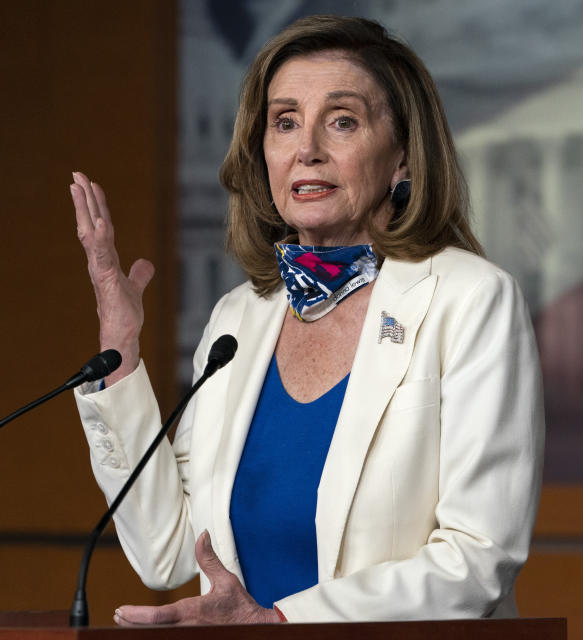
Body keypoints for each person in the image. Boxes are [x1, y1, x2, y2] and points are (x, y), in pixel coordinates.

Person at [70, 15, 544, 625]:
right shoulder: (239, 318)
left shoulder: (472, 300)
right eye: (284, 121)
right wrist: (120, 352)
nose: (307, 148)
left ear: (402, 155)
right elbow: (167, 550)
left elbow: (479, 558)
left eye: (342, 120)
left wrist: (283, 623)